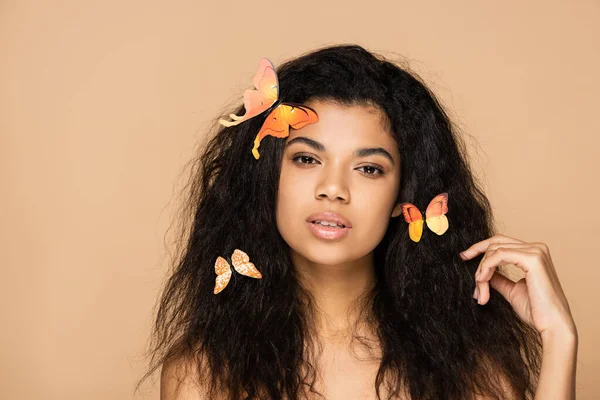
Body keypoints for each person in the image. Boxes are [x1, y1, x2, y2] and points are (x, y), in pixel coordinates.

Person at [136, 44, 578, 399]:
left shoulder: (468, 369)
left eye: (369, 169)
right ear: (269, 175)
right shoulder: (204, 372)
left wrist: (558, 338)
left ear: (402, 198)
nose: (334, 189)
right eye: (307, 159)